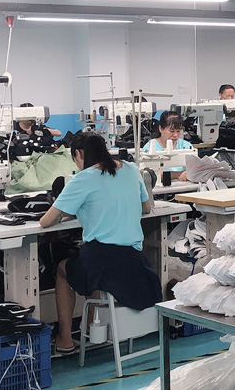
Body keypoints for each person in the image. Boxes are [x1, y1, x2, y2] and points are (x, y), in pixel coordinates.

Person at [40, 133, 161, 353]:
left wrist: (67, 213)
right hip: (134, 261)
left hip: (101, 261)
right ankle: (91, 331)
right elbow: (146, 208)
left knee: (63, 269)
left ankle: (65, 339)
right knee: (92, 269)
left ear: (79, 154)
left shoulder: (83, 178)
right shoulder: (131, 169)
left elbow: (45, 221)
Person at [143, 110, 192, 180]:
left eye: (178, 131)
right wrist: (177, 175)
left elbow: (194, 168)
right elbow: (148, 173)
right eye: (172, 131)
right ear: (160, 128)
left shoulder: (186, 146)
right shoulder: (150, 148)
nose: (175, 135)